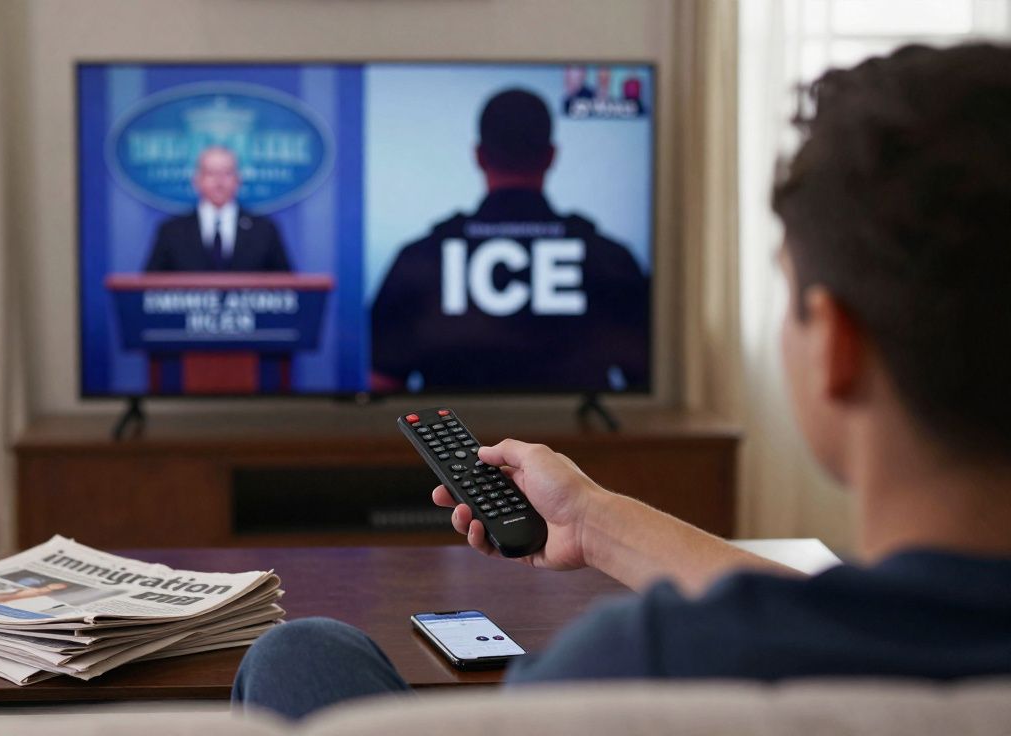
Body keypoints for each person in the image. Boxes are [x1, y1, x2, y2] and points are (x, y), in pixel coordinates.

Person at [234, 44, 1011, 720]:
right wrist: (593, 518)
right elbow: (858, 614)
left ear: (838, 345)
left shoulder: (640, 664)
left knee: (302, 651)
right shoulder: (607, 261)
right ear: (549, 155)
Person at [369, 88, 649, 392]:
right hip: (574, 438)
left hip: (459, 439)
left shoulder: (420, 258)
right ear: (551, 156)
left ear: (479, 155)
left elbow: (382, 390)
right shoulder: (609, 259)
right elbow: (642, 378)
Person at [144, 146, 292, 272]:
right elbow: (149, 288)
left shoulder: (264, 230)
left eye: (226, 173)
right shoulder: (171, 231)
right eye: (210, 173)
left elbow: (287, 288)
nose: (219, 181)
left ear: (238, 180)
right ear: (197, 180)